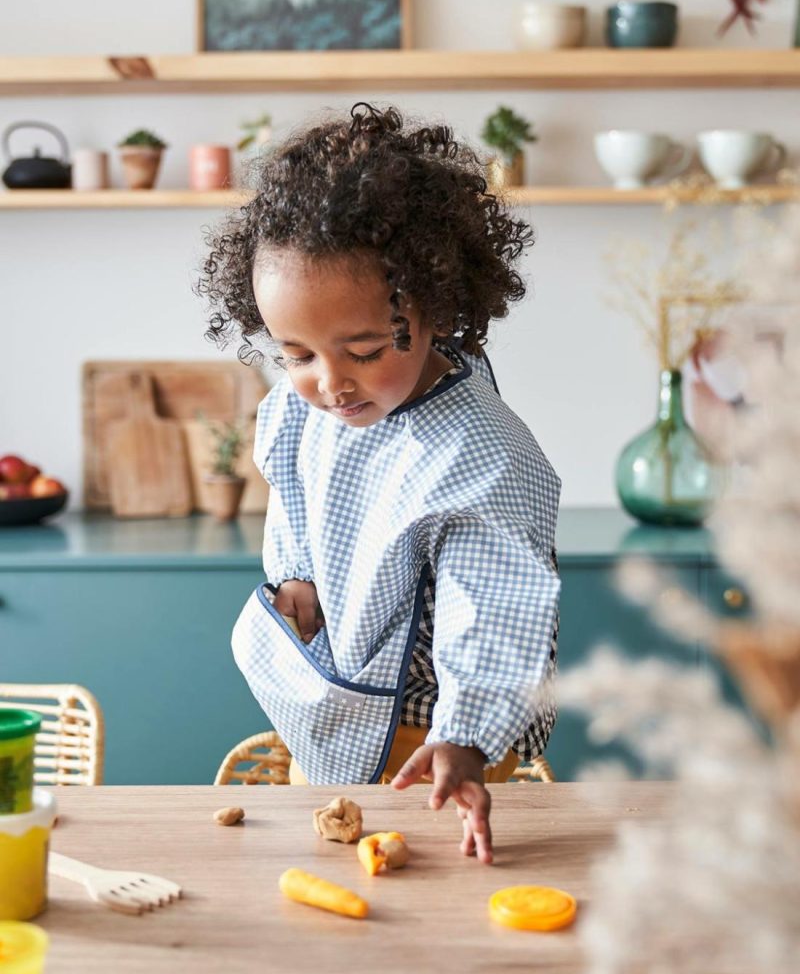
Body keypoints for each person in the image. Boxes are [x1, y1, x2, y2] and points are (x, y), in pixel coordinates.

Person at [199, 103, 561, 864]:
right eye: (296, 353)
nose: (330, 383)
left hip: (431, 741)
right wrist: (295, 573)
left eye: (363, 349)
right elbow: (293, 488)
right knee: (329, 882)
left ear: (433, 306)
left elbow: (494, 603)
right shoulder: (305, 411)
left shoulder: (479, 451)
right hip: (331, 707)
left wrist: (465, 736)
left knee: (419, 905)